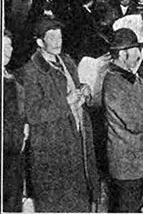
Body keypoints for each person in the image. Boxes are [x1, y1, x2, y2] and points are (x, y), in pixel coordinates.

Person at [22, 18, 99, 212]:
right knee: (58, 203)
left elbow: (73, 88)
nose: (58, 41)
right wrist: (66, 101)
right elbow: (33, 113)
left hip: (77, 138)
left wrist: (84, 90)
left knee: (81, 198)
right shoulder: (31, 72)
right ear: (40, 42)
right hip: (52, 147)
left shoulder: (66, 60)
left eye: (60, 36)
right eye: (52, 37)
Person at [103, 28, 143, 212]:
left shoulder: (128, 76)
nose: (139, 55)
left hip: (136, 163)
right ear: (123, 54)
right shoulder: (115, 83)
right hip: (128, 166)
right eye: (136, 50)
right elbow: (138, 122)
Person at [3, 29, 29, 212]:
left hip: (15, 154)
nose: (7, 51)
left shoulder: (11, 77)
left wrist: (25, 125)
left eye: (9, 46)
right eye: (2, 47)